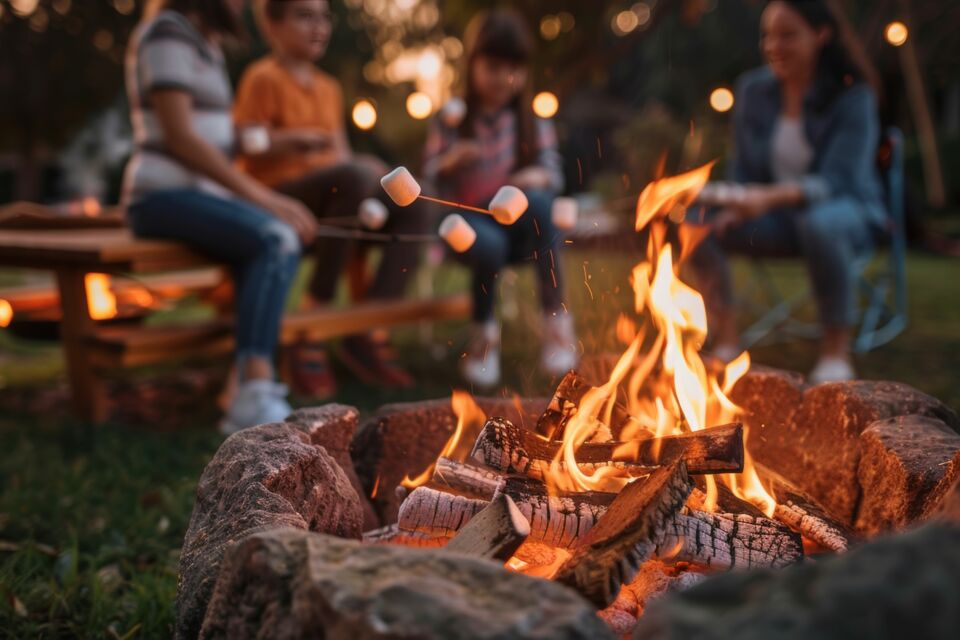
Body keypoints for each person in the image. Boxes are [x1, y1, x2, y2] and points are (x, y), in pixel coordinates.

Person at [123, 0, 318, 433]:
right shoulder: (167, 31)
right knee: (276, 237)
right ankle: (254, 391)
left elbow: (219, 135)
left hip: (199, 196)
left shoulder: (205, 45)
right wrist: (263, 198)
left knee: (273, 238)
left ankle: (243, 386)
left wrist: (279, 143)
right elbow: (180, 138)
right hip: (161, 196)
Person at [233, 0, 423, 397]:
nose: (318, 27)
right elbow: (244, 144)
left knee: (412, 200)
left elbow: (340, 159)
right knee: (352, 178)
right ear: (273, 24)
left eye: (323, 17)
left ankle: (368, 326)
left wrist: (370, 170)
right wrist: (292, 140)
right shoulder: (262, 78)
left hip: (338, 197)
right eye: (304, 16)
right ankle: (313, 321)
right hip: (278, 196)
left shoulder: (329, 88)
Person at [690, 0, 886, 383]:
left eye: (787, 35)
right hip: (776, 221)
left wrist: (767, 199)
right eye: (767, 36)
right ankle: (727, 339)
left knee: (819, 223)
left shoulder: (854, 96)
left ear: (821, 34)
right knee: (698, 225)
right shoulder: (752, 90)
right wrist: (735, 203)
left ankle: (835, 351)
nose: (773, 46)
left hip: (847, 212)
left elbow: (839, 181)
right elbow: (744, 168)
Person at [423, 9, 577, 388]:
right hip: (468, 223)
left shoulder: (530, 120)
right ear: (473, 64)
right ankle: (484, 337)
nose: (503, 78)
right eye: (493, 67)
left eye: (513, 69)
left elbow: (554, 173)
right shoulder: (452, 120)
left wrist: (535, 175)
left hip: (521, 231)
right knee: (487, 241)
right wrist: (449, 162)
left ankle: (555, 324)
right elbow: (426, 180)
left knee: (540, 204)